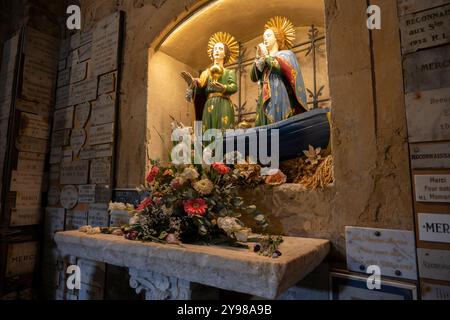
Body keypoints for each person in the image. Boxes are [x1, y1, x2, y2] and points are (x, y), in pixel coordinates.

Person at [251, 16, 308, 127]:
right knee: (263, 127)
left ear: (277, 37)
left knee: (277, 124)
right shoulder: (264, 58)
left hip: (278, 92)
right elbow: (253, 77)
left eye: (268, 35)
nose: (265, 39)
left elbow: (278, 67)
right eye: (263, 37)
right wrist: (258, 58)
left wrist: (266, 56)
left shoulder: (286, 54)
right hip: (264, 95)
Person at [182, 32, 239, 131]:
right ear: (212, 53)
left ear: (225, 54)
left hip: (224, 104)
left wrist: (224, 88)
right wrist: (192, 85)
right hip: (209, 104)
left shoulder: (229, 72)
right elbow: (200, 92)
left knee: (223, 131)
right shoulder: (206, 73)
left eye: (220, 49)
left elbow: (234, 87)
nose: (217, 50)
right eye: (215, 49)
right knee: (208, 131)